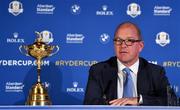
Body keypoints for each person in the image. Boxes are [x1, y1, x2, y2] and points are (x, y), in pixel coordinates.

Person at [83, 21, 173, 106]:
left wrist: (139, 100)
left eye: (130, 40)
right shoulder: (98, 71)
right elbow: (90, 103)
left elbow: (170, 101)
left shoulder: (156, 72)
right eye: (118, 40)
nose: (123, 45)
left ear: (140, 46)